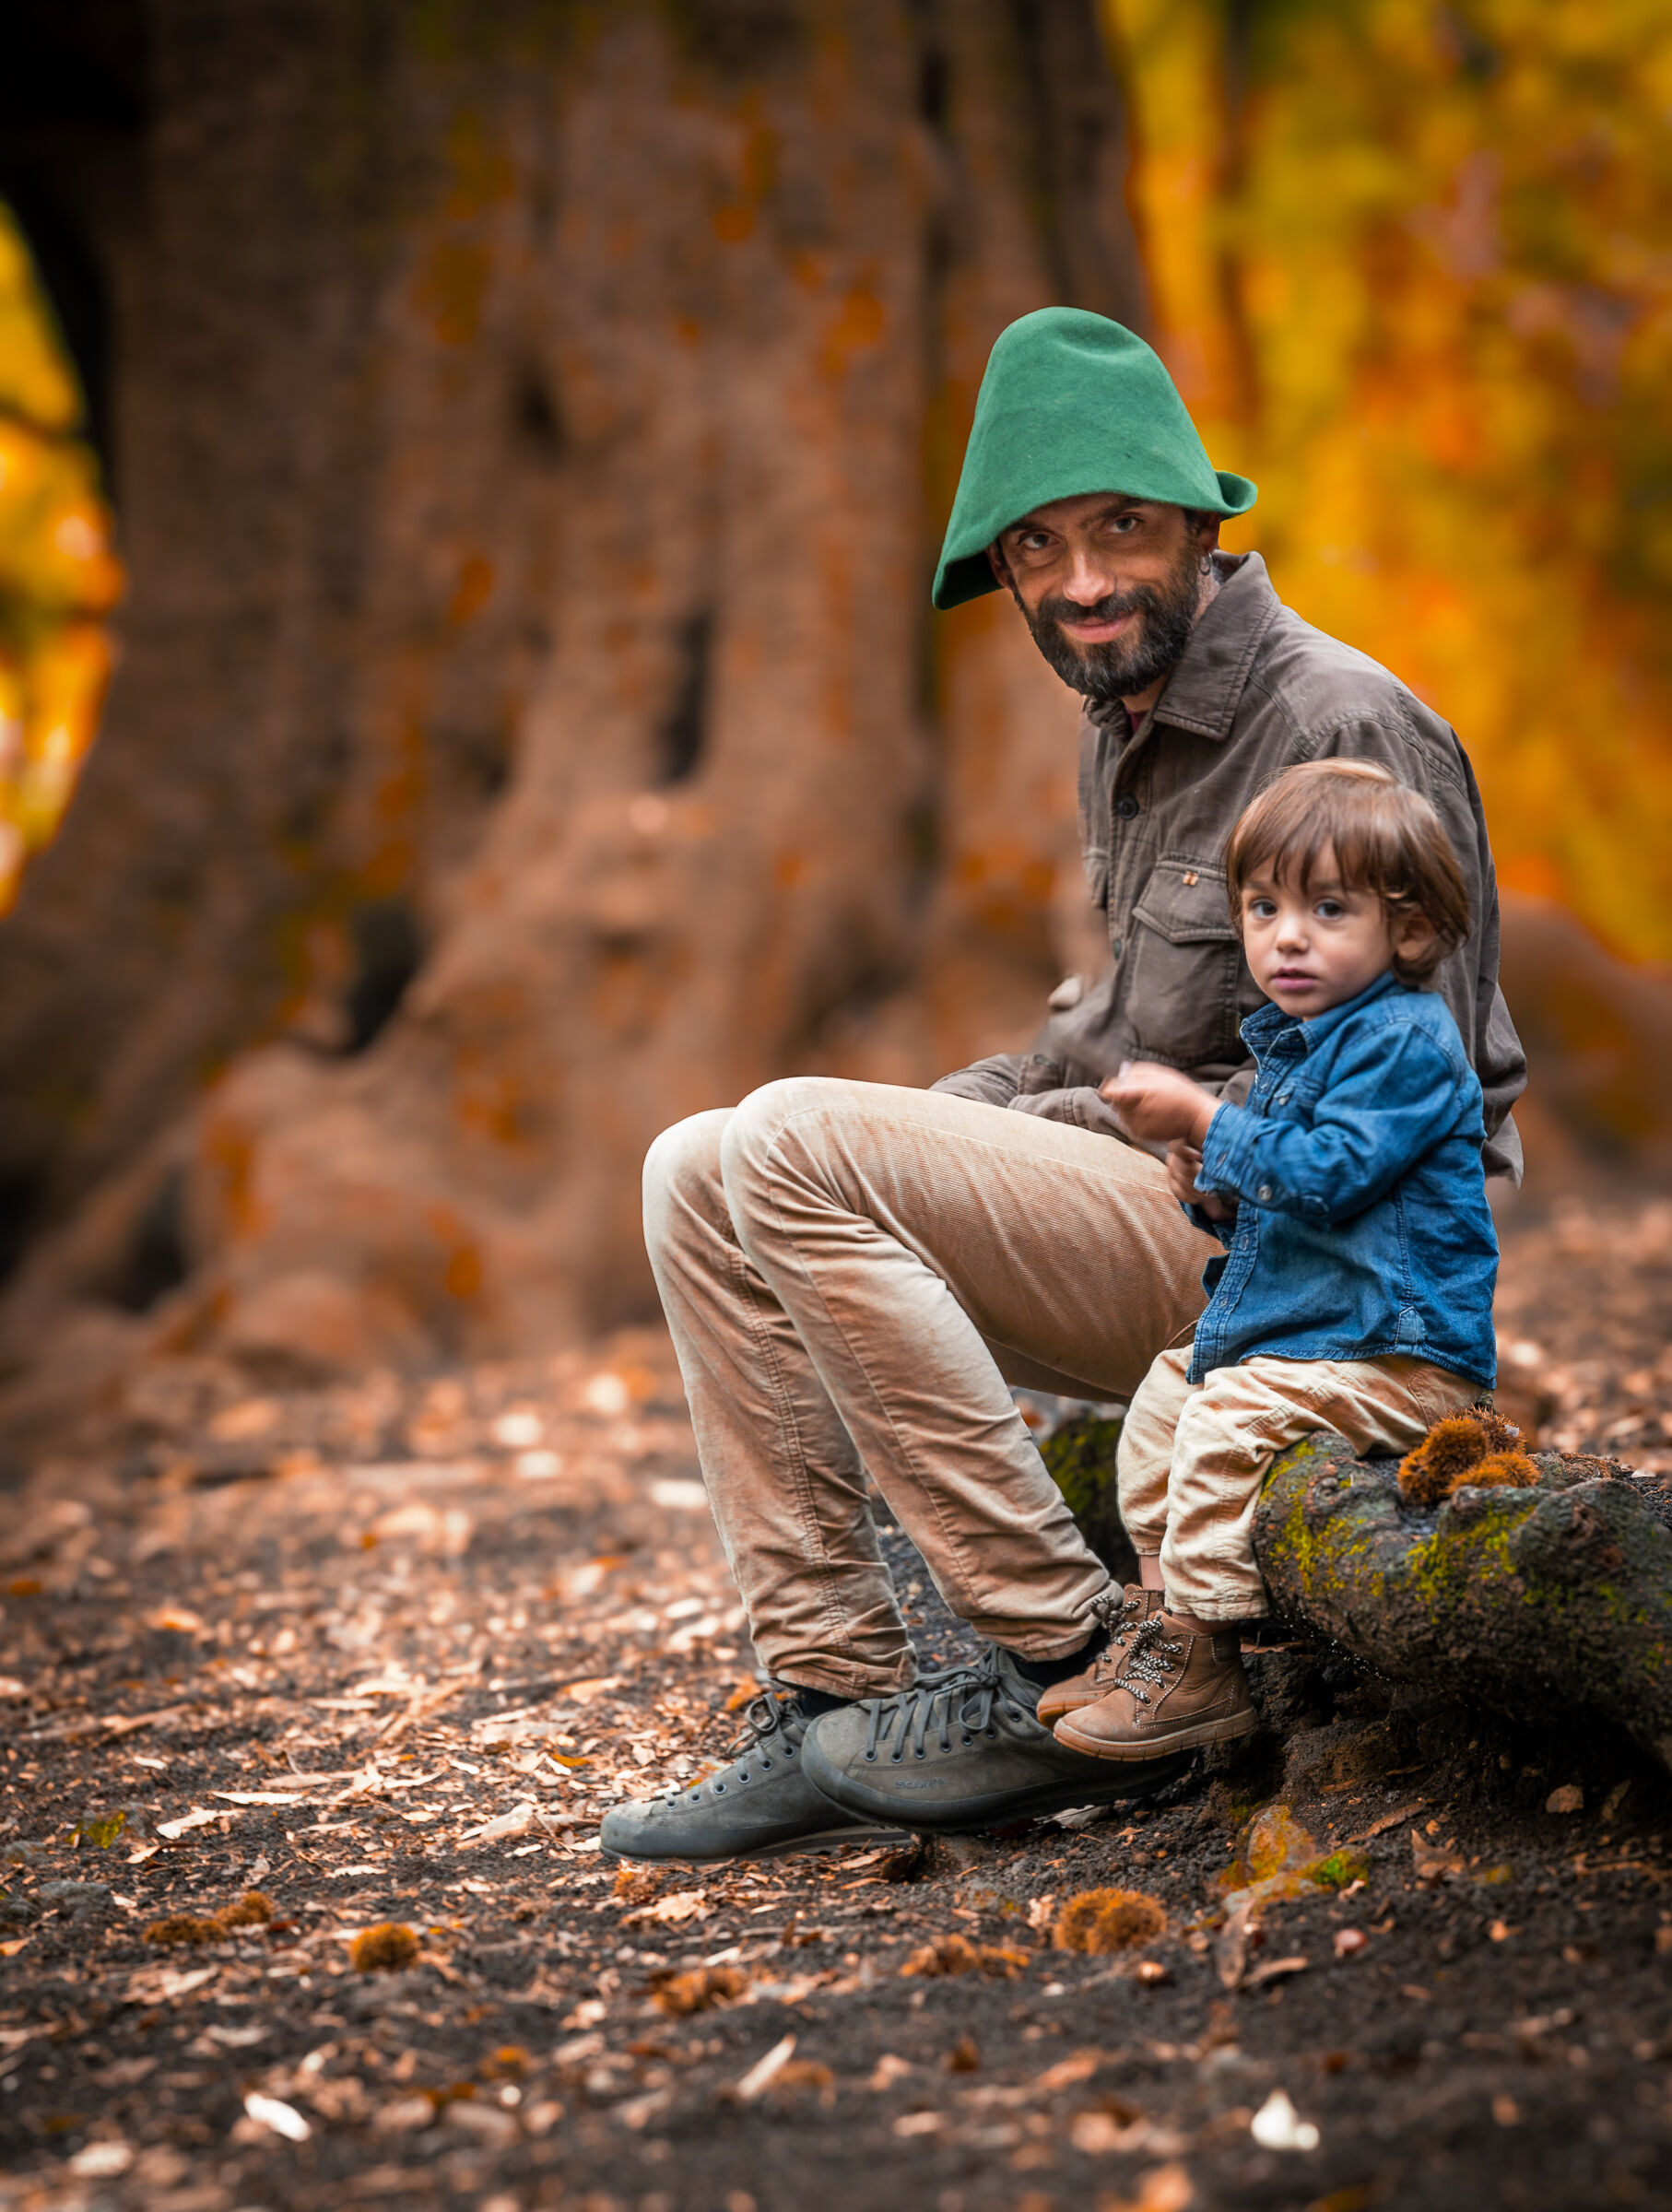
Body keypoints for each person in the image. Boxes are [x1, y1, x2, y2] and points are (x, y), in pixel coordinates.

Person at [601, 307, 1525, 1865]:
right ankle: (833, 1698)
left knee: (784, 1141)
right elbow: (1104, 1041)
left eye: (1118, 529)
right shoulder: (1127, 723)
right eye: (1038, 548)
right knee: (698, 1159)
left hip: (1305, 1272)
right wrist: (964, 1115)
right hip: (1168, 1218)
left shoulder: (1334, 721)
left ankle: (1079, 1661)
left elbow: (1419, 1097)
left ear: (1195, 527)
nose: (1083, 579)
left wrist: (982, 1137)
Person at [1039, 759, 1498, 1761]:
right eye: (1260, 908)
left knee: (1220, 1420)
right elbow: (1285, 1205)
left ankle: (1205, 1662)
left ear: (1406, 930)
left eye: (1326, 909)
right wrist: (1209, 1179)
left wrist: (1210, 1114)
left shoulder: (1405, 1041)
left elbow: (1332, 1176)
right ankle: (1159, 1633)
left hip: (1401, 1356)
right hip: (1313, 1339)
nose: (1284, 937)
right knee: (1162, 1403)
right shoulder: (1296, 1048)